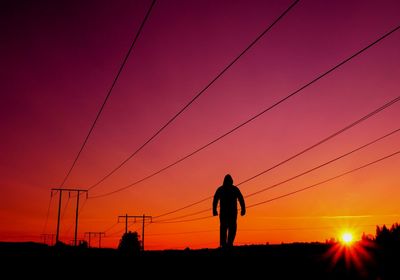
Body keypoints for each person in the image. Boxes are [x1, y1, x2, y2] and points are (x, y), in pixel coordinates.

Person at [213, 174, 246, 248]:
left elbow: (241, 198)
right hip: (227, 213)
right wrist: (214, 210)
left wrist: (243, 209)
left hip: (231, 213)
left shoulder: (229, 189)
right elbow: (215, 199)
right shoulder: (223, 189)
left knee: (230, 228)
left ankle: (229, 243)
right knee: (225, 228)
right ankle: (225, 244)